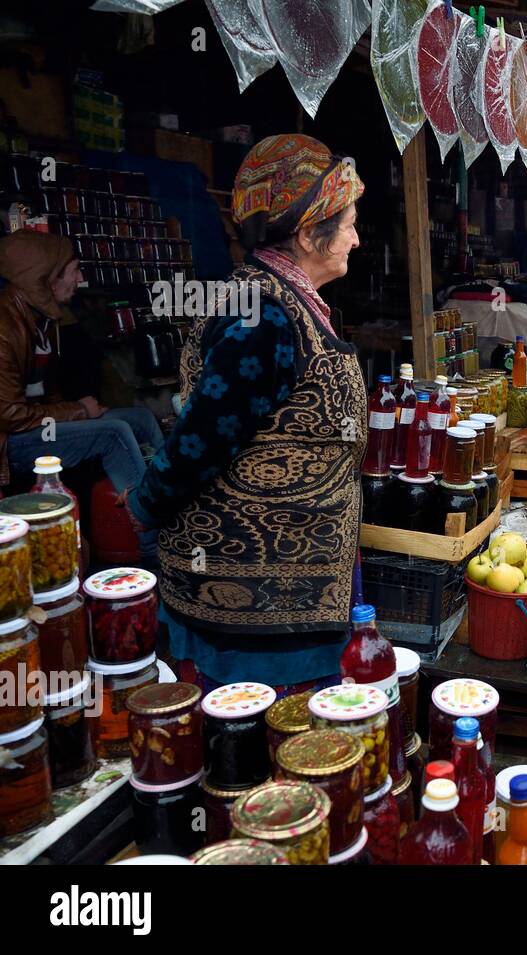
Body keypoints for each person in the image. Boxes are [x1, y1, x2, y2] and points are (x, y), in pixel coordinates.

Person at [126, 134, 367, 693]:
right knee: (261, 745)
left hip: (287, 588)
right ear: (309, 234)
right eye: (349, 223)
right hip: (256, 598)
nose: (356, 238)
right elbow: (205, 434)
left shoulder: (279, 298)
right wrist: (145, 503)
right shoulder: (266, 315)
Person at [0, 230, 164, 562]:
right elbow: (9, 415)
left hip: (38, 424)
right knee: (113, 433)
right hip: (11, 444)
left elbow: (45, 394)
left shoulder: (43, 320)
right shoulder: (5, 327)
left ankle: (174, 504)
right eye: (73, 270)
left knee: (141, 419)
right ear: (45, 277)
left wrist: (78, 412)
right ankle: (155, 547)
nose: (80, 279)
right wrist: (78, 412)